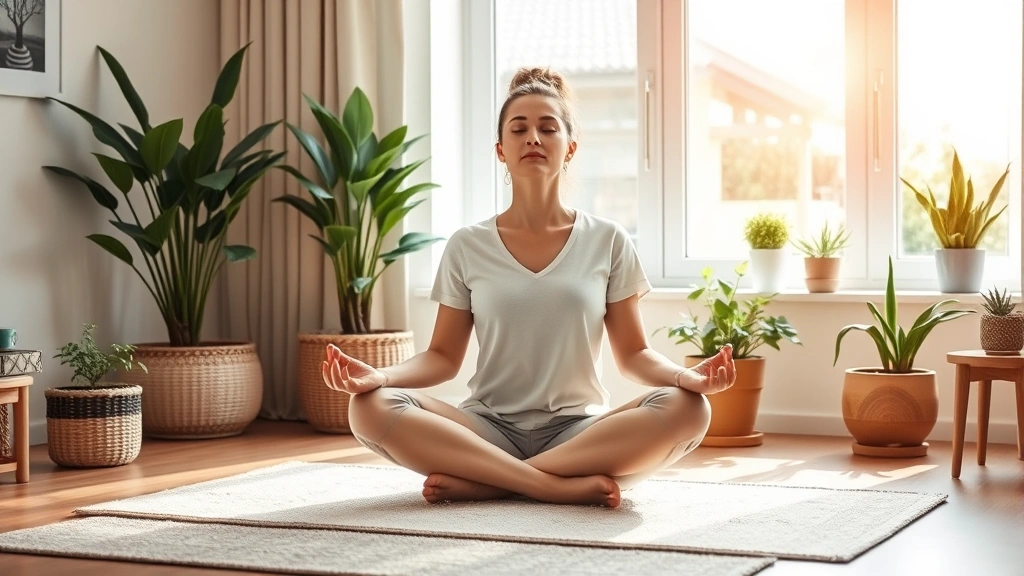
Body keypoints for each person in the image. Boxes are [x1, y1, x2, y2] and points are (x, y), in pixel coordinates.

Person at [322, 67, 736, 509]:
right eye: (519, 129)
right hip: (486, 429)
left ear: (570, 149)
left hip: (579, 430)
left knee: (690, 408)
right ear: (501, 151)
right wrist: (379, 377)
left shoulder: (608, 239)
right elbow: (442, 358)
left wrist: (685, 377)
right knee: (367, 406)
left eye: (547, 128)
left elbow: (633, 355)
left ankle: (490, 483)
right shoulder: (468, 244)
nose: (533, 138)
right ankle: (551, 485)